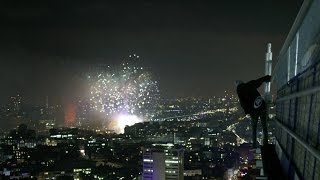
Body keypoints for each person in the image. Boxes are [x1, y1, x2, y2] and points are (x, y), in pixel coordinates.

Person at [235, 75, 271, 148]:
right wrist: (266, 78)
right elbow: (258, 81)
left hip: (254, 111)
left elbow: (243, 103)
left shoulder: (240, 91)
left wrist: (248, 111)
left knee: (254, 127)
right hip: (262, 105)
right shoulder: (249, 84)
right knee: (264, 126)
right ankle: (266, 143)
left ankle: (254, 145)